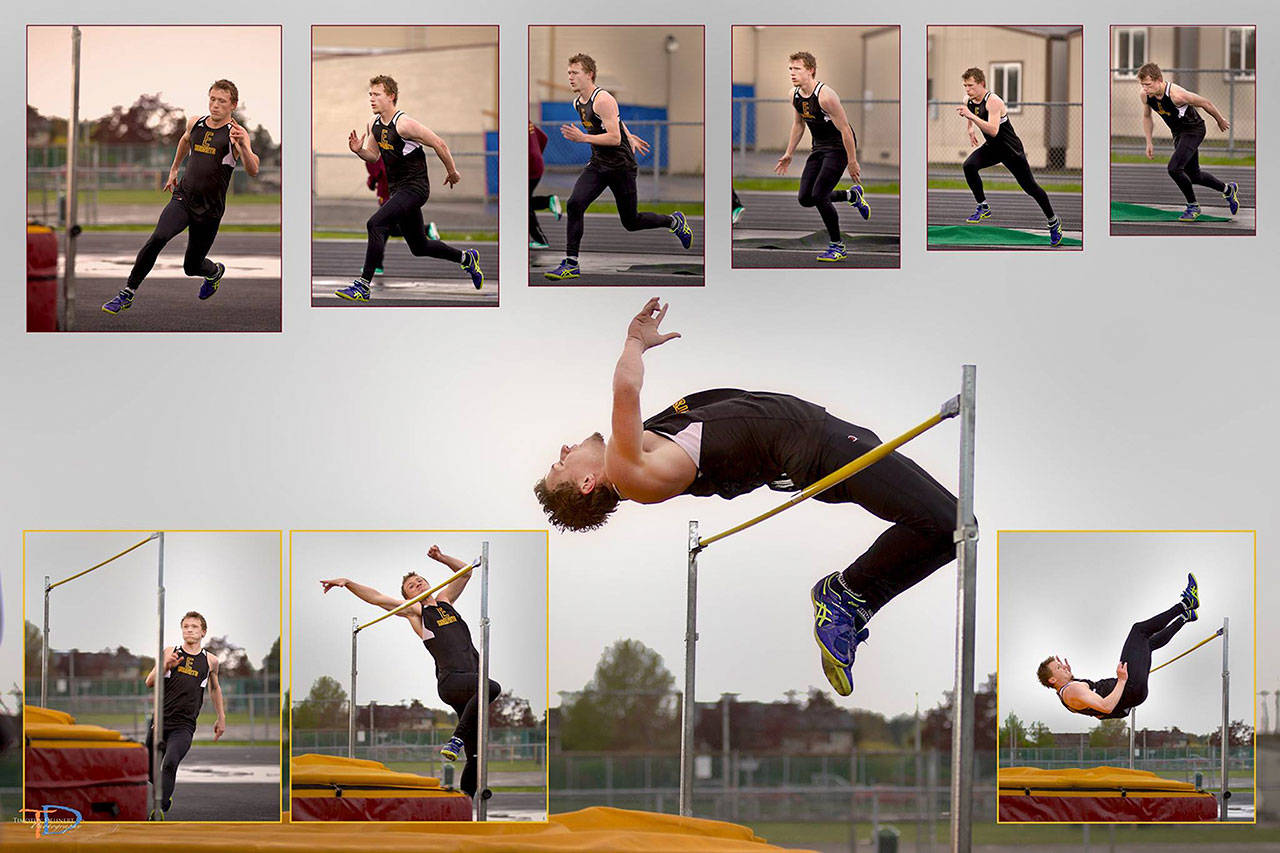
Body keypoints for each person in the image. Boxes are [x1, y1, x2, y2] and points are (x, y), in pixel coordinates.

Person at [533, 298, 959, 697]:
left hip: (818, 439)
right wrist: (635, 342)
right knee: (949, 524)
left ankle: (852, 599)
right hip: (817, 447)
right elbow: (626, 391)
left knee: (954, 523)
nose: (563, 452)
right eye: (560, 466)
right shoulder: (629, 472)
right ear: (587, 483)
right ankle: (844, 594)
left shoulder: (642, 450)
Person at [321, 546, 500, 798]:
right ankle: (456, 739)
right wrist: (348, 583)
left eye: (420, 581)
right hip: (452, 682)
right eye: (411, 586)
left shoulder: (445, 601)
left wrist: (441, 558)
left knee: (476, 755)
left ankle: (465, 807)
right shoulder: (416, 612)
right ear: (408, 596)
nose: (417, 584)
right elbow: (376, 597)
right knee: (492, 687)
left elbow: (465, 572)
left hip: (470, 686)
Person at [103, 80, 260, 314]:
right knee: (158, 237)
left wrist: (244, 148)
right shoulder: (195, 123)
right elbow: (185, 140)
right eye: (212, 99)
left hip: (210, 209)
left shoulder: (236, 134)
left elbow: (253, 169)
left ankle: (214, 272)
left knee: (192, 266)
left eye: (222, 101)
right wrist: (174, 169)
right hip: (183, 198)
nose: (215, 105)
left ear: (233, 105)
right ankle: (127, 292)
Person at [544, 54, 693, 280]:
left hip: (621, 167)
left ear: (589, 75)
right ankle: (571, 263)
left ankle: (674, 221)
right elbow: (615, 121)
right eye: (569, 73)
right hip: (598, 164)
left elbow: (613, 138)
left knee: (631, 222)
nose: (570, 77)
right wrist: (629, 135)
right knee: (575, 204)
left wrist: (584, 138)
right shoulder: (578, 103)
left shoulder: (603, 99)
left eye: (575, 73)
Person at [337, 75, 482, 301]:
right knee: (419, 246)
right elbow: (374, 156)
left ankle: (362, 286)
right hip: (398, 191)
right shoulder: (375, 126)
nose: (372, 99)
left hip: (415, 188)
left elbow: (439, 143)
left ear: (391, 97)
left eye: (377, 95)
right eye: (370, 95)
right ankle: (466, 259)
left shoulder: (403, 124)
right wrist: (359, 151)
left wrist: (452, 171)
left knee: (375, 223)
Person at [1038, 574, 1199, 719]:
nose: (1064, 668)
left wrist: (1071, 676)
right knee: (1139, 631)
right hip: (1129, 686)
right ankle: (1186, 603)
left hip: (1133, 693)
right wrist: (1122, 681)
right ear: (1052, 679)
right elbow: (1106, 707)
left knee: (1147, 645)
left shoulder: (1067, 697)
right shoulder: (1072, 691)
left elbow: (1099, 715)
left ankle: (1185, 617)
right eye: (1059, 668)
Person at [774, 52, 870, 262]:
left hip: (839, 148)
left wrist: (852, 161)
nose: (792, 73)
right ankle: (851, 196)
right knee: (805, 198)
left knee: (819, 196)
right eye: (790, 69)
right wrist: (789, 153)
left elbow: (845, 130)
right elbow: (799, 124)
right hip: (819, 147)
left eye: (797, 69)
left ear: (811, 70)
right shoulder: (794, 95)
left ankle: (838, 246)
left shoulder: (826, 96)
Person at [955, 67, 1063, 247]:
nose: (967, 90)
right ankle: (983, 206)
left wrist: (970, 117)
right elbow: (970, 111)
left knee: (1031, 188)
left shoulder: (994, 102)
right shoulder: (968, 99)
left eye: (971, 86)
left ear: (981, 84)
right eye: (965, 86)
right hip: (992, 148)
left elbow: (994, 130)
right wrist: (970, 129)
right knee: (969, 166)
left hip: (1010, 150)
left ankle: (1053, 221)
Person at [143, 611, 226, 819]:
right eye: (186, 626)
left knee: (170, 762)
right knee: (148, 770)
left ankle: (159, 808)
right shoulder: (170, 652)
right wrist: (166, 665)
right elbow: (149, 682)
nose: (189, 629)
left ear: (203, 632)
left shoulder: (211, 661)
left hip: (184, 726)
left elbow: (214, 689)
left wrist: (221, 717)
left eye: (194, 626)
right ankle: (165, 794)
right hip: (160, 722)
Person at [1137, 63, 1239, 221]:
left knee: (1174, 168)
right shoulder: (1145, 95)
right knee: (1194, 175)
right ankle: (1228, 190)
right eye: (1143, 85)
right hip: (1179, 133)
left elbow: (1206, 103)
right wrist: (1149, 142)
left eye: (1148, 85)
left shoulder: (1177, 95)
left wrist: (1220, 120)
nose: (1145, 89)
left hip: (1194, 130)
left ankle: (1193, 206)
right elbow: (1146, 116)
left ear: (1159, 80)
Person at [364, 158, 440, 275]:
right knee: (387, 230)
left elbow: (381, 172)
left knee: (379, 227)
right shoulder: (378, 154)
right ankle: (464, 257)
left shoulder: (382, 153)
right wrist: (372, 181)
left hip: (393, 195)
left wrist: (372, 180)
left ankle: (375, 267)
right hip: (395, 194)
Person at [529, 121, 562, 249]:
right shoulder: (527, 122)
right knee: (524, 203)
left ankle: (541, 240)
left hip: (530, 167)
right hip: (536, 164)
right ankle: (548, 201)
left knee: (523, 205)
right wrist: (538, 155)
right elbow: (543, 137)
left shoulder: (515, 124)